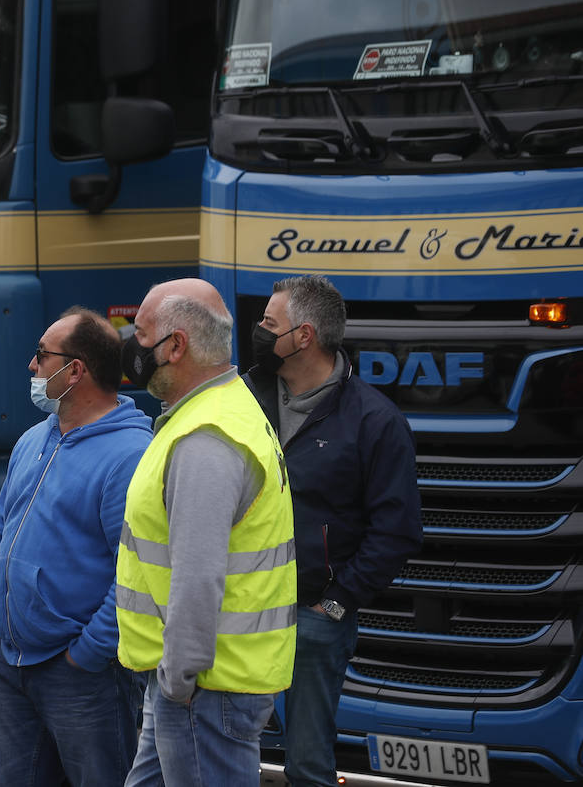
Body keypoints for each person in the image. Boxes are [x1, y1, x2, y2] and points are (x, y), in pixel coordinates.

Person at [113, 278, 296, 787]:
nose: (133, 345)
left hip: (201, 687)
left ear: (175, 346)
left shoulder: (205, 439)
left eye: (141, 333)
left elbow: (198, 576)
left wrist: (177, 681)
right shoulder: (221, 410)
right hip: (192, 681)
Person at [244, 275, 422, 787]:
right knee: (224, 751)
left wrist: (338, 602)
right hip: (236, 609)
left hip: (313, 618)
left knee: (306, 765)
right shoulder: (244, 399)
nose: (258, 331)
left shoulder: (374, 420)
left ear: (304, 337)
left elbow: (397, 530)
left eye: (269, 323)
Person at [0, 306, 153, 787]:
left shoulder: (130, 456)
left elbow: (137, 572)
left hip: (81, 674)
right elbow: (2, 527)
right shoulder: (34, 438)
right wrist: (0, 617)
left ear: (75, 369)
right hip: (9, 660)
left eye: (41, 355)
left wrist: (89, 653)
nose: (31, 367)